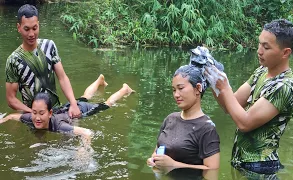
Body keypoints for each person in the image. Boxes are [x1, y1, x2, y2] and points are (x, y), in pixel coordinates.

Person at [205, 19, 293, 175]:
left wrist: (225, 86)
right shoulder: (262, 71)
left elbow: (245, 123)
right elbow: (229, 105)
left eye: (266, 47)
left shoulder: (284, 87)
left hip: (261, 167)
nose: (259, 51)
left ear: (285, 52)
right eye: (260, 44)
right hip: (241, 161)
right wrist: (213, 78)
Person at [0, 74, 135, 147]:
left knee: (106, 104)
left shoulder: (59, 125)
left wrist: (83, 150)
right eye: (34, 112)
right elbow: (13, 116)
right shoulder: (32, 118)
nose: (37, 118)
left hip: (80, 111)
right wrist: (3, 120)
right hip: (67, 108)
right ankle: (99, 80)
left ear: (50, 113)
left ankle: (125, 89)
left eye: (41, 113)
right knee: (84, 97)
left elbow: (87, 133)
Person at [5, 4, 81, 118]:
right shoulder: (13, 60)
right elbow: (11, 99)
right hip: (31, 115)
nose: (31, 34)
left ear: (38, 25)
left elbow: (63, 78)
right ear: (18, 27)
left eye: (34, 28)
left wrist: (73, 104)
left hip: (55, 110)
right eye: (27, 29)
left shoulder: (49, 46)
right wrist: (34, 114)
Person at [146, 64, 220, 175]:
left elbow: (212, 170)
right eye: (174, 90)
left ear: (198, 88)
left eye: (181, 88)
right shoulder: (170, 119)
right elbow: (156, 153)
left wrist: (173, 165)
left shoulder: (207, 128)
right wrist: (152, 161)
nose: (176, 94)